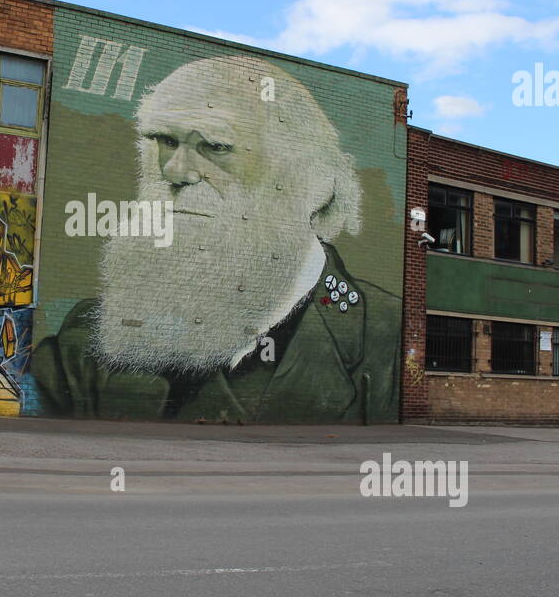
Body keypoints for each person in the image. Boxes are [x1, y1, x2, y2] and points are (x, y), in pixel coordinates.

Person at [31, 54, 400, 423]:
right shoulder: (84, 336)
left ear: (315, 184)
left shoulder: (387, 338)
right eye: (166, 140)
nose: (174, 170)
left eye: (216, 146)